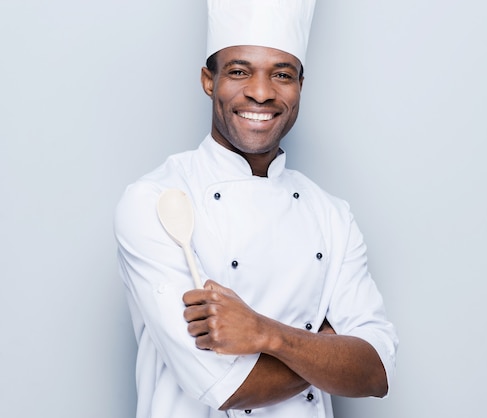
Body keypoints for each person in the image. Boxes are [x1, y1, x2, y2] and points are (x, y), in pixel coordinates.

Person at [114, 1, 398, 417]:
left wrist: (266, 334)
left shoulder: (332, 215)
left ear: (301, 84)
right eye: (239, 71)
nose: (262, 93)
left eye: (281, 74)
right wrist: (328, 349)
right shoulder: (155, 201)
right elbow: (227, 387)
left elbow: (375, 374)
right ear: (208, 81)